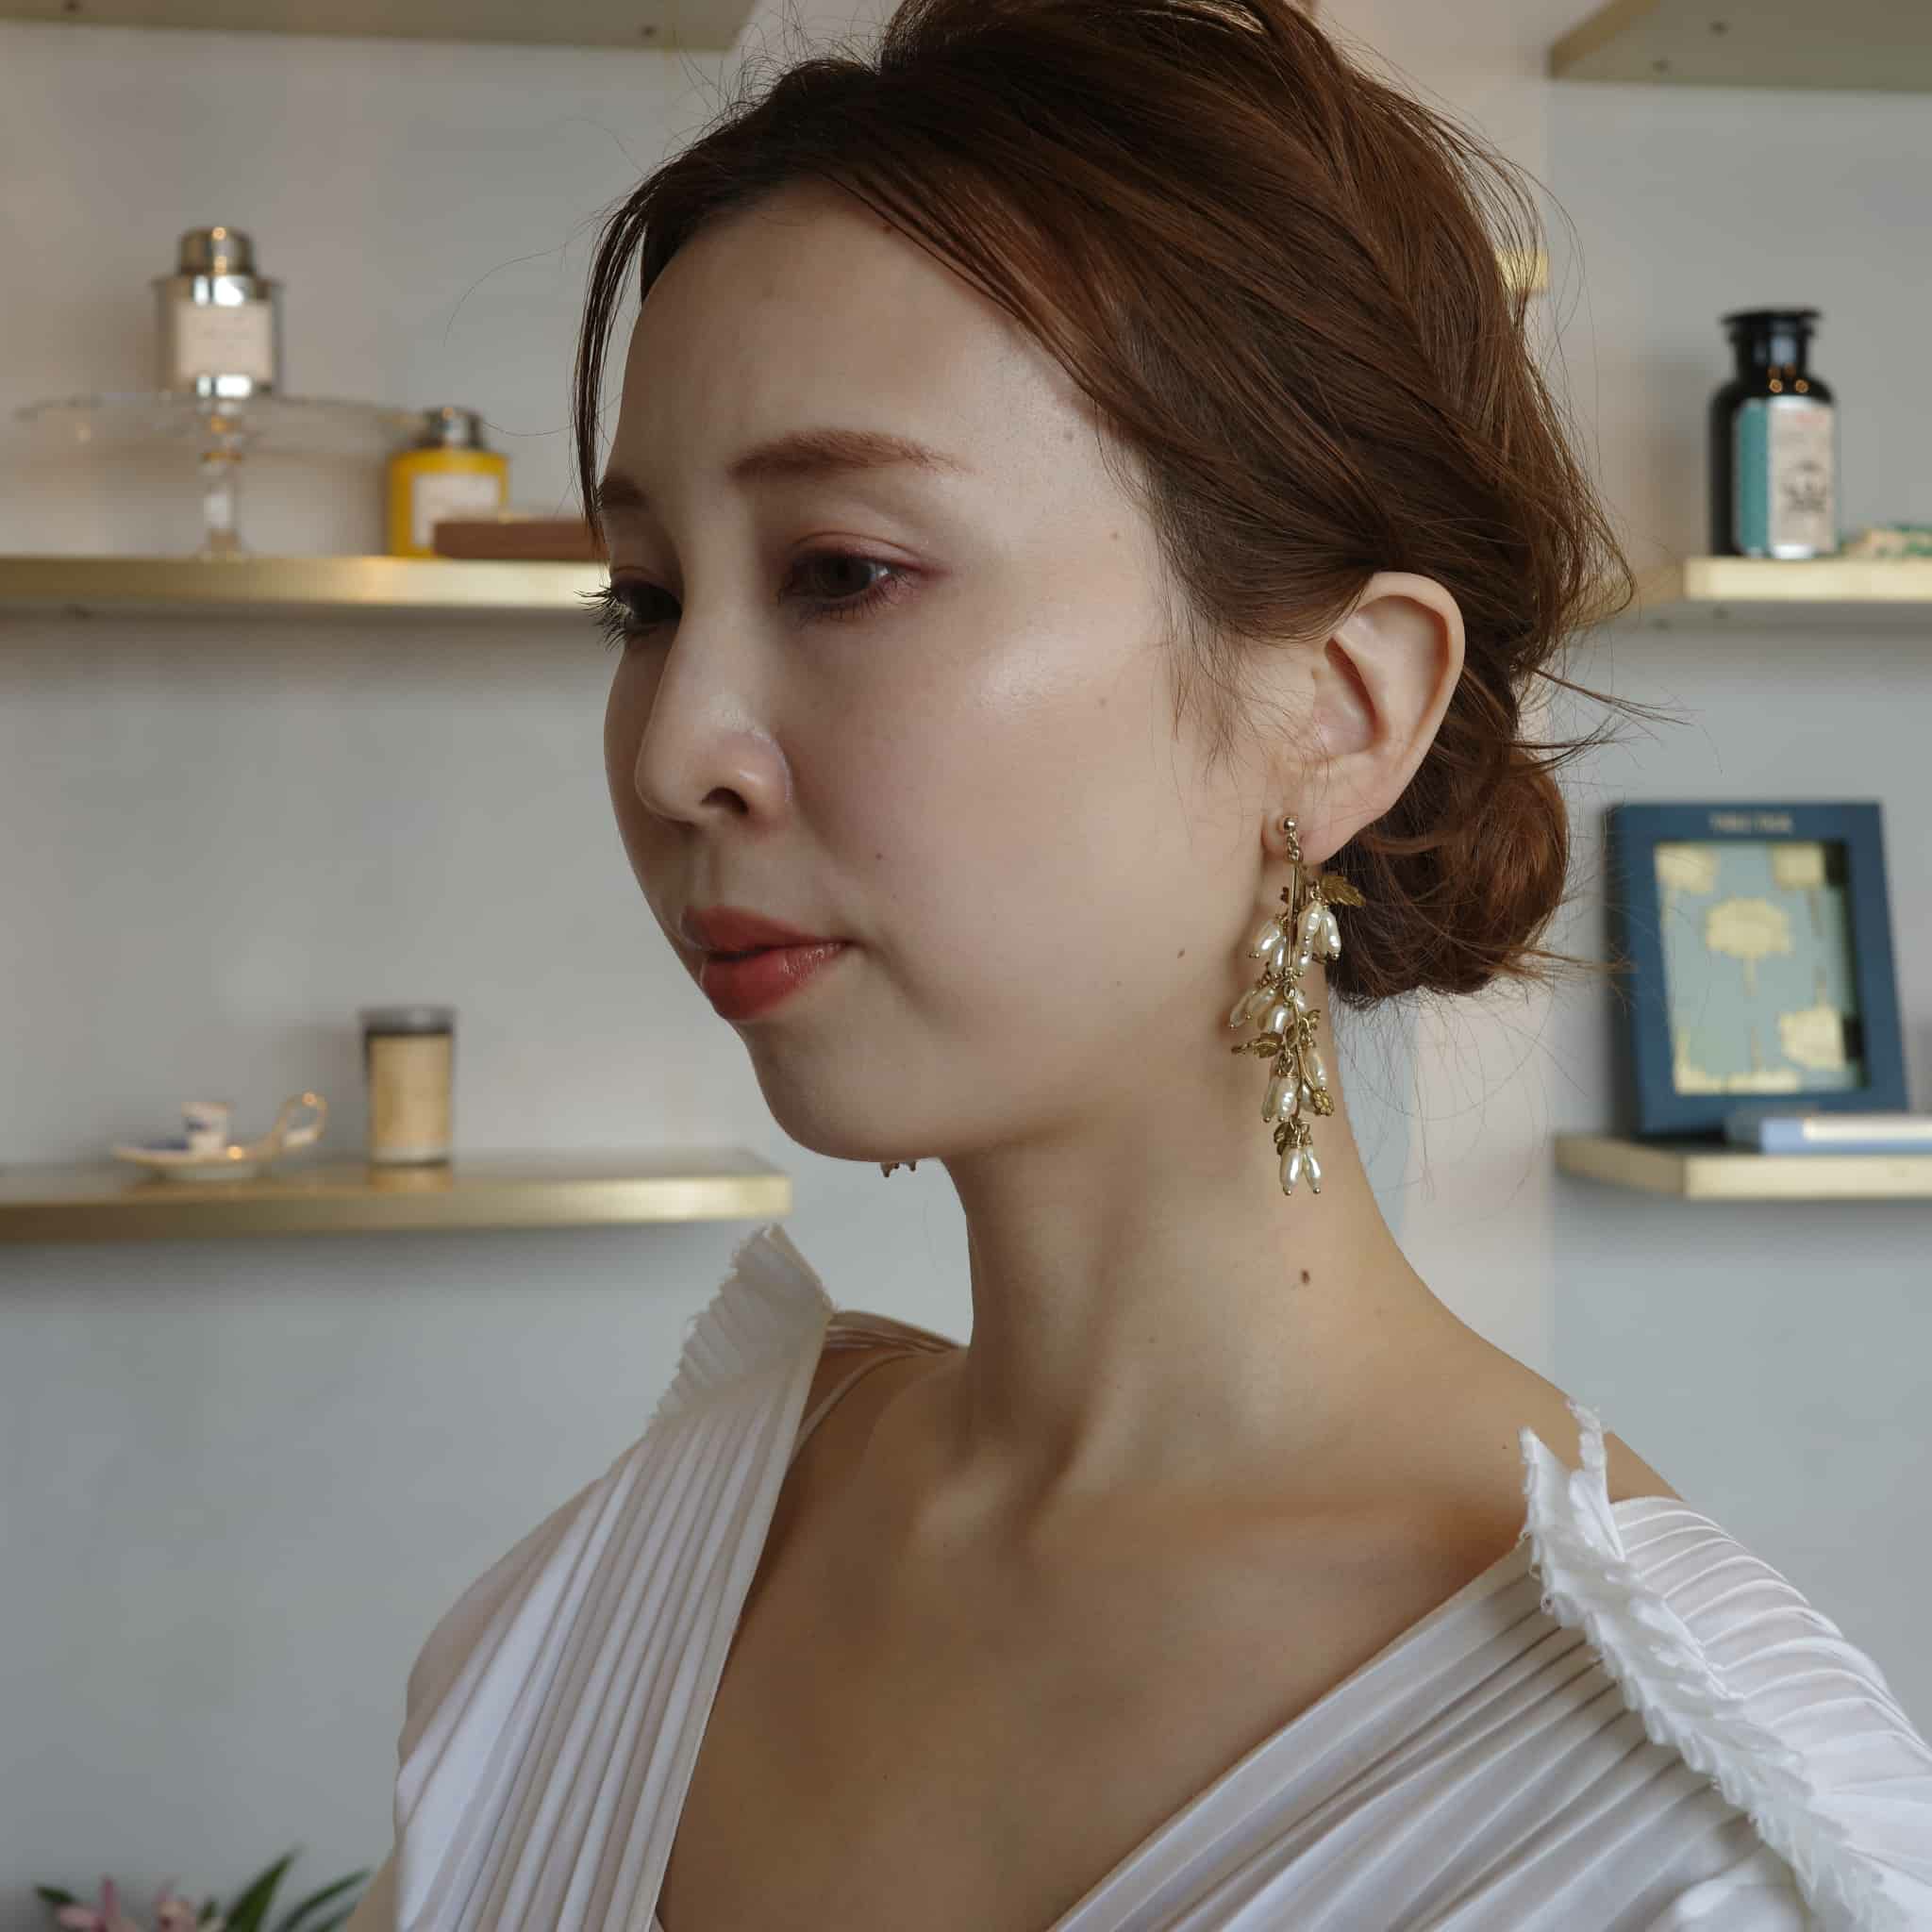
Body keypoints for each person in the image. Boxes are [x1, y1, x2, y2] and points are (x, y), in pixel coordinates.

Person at [342, 2, 1932, 1925]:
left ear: (1342, 706)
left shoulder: (1672, 1837)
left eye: (843, 572)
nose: (677, 749)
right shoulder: (641, 1570)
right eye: (646, 600)